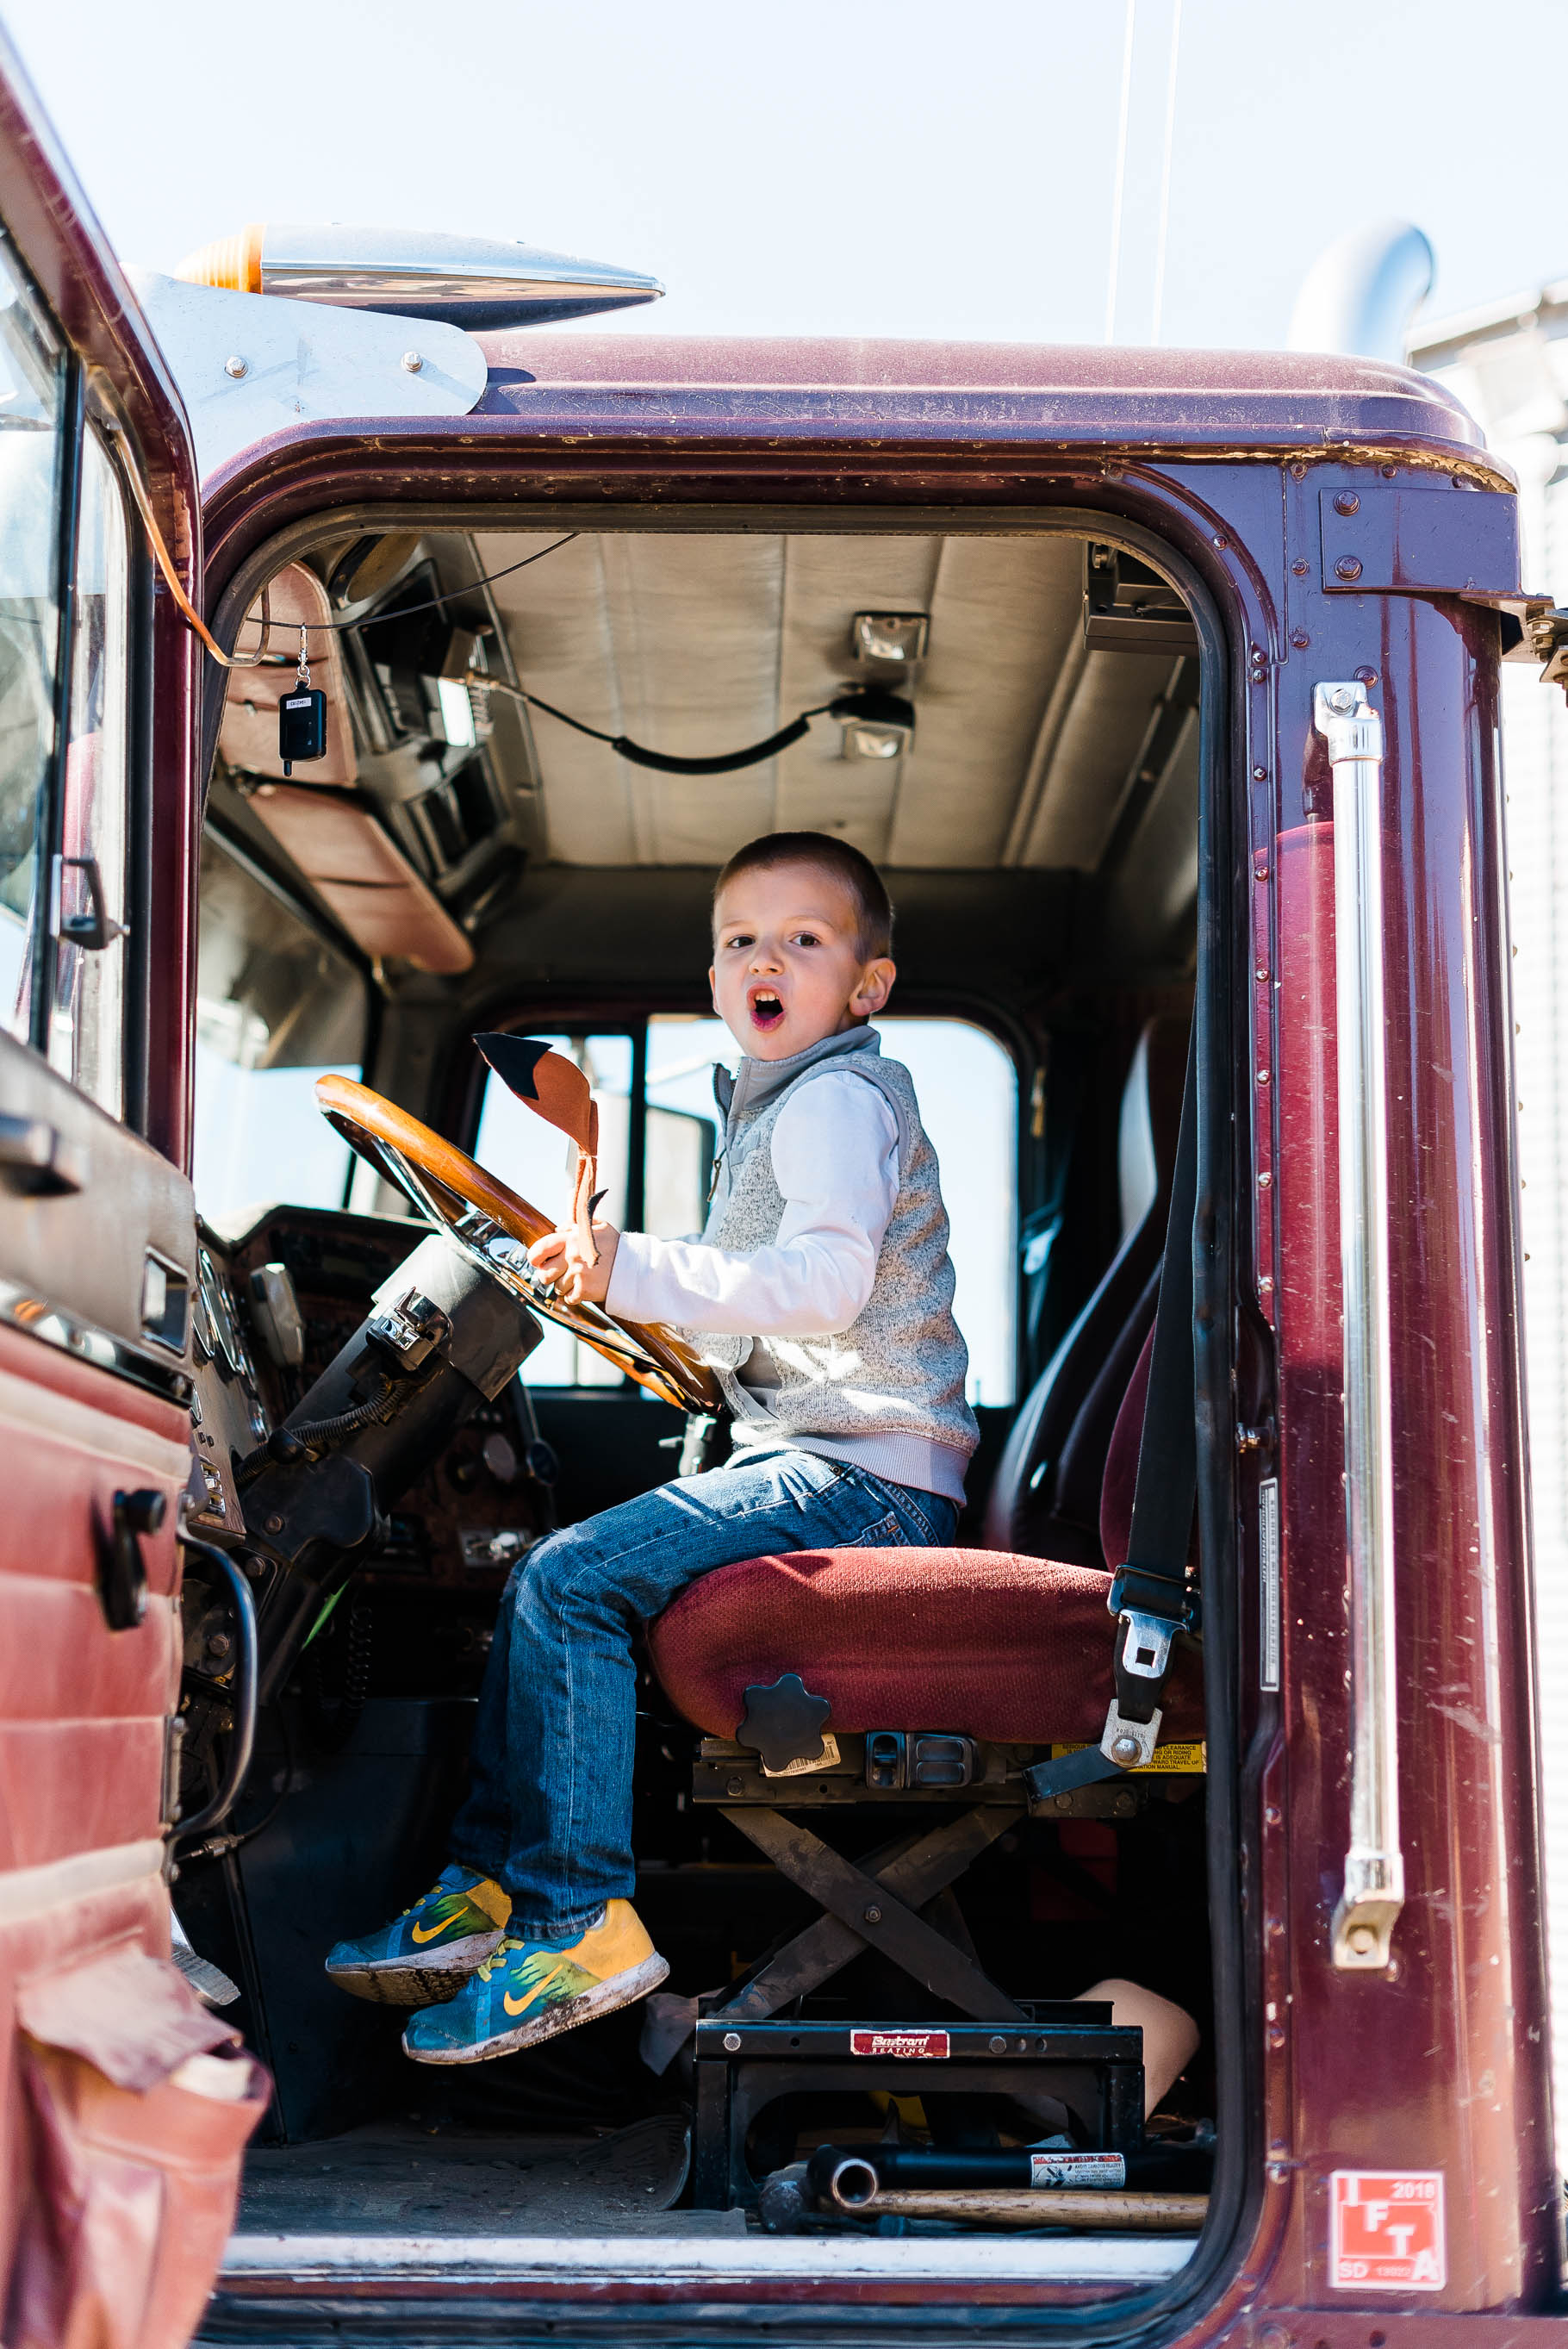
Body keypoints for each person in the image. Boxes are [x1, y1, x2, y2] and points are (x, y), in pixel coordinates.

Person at [325, 831, 980, 2065]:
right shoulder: (779, 1102)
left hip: (869, 1482)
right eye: (740, 940)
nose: (763, 959)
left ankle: (577, 1919)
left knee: (568, 1578)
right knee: (549, 1576)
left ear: (867, 986)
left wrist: (632, 1266)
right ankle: (495, 1889)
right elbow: (756, 1295)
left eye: (803, 938)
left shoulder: (837, 1098)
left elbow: (830, 1285)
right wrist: (632, 1294)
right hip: (833, 1460)